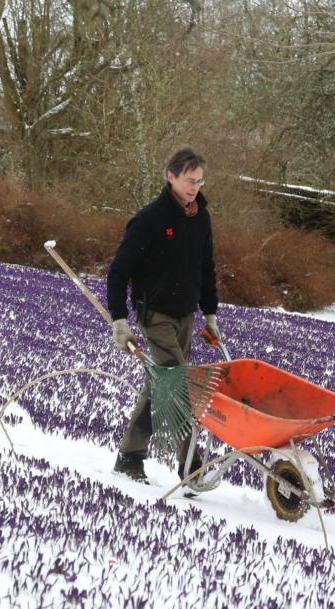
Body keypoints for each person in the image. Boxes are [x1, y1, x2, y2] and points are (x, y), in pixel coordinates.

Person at [106, 146, 222, 483]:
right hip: (155, 314)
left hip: (185, 315)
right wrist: (120, 321)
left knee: (160, 386)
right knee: (177, 383)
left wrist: (210, 315)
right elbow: (118, 273)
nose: (195, 188)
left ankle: (130, 456)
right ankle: (191, 467)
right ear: (171, 177)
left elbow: (206, 267)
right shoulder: (150, 220)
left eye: (199, 181)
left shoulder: (201, 217)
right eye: (189, 180)